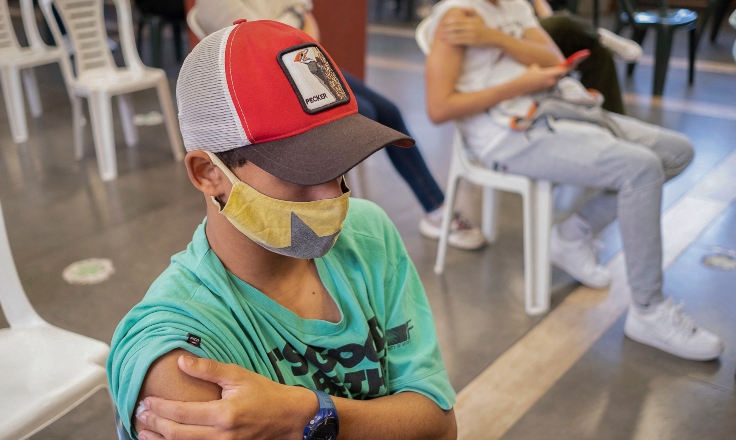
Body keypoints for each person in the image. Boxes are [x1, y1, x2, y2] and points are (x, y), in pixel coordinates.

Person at [107, 20, 457, 440]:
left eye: (339, 161)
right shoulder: (183, 352)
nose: (332, 196)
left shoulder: (368, 233)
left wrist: (308, 416)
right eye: (302, 170)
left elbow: (437, 425)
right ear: (208, 174)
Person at [423, 0, 723, 361]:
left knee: (678, 151)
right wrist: (519, 83)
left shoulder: (511, 4)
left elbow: (551, 59)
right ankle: (648, 309)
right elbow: (439, 108)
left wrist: (494, 38)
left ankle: (571, 236)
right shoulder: (458, 16)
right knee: (640, 168)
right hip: (506, 135)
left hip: (551, 109)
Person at [193, 0, 486, 250]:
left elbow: (303, 28)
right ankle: (324, 212)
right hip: (264, 85)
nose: (335, 193)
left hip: (303, 62)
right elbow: (260, 48)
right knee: (366, 111)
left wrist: (291, 27)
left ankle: (435, 207)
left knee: (388, 111)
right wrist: (292, 22)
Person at [438, 0, 641, 114]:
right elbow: (440, 108)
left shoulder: (514, 6)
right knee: (562, 24)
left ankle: (609, 122)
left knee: (597, 53)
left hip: (525, 29)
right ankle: (595, 35)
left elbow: (537, 12)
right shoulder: (458, 11)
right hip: (517, 41)